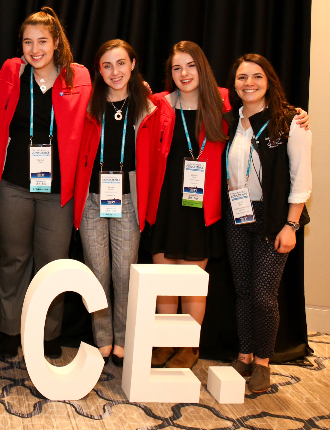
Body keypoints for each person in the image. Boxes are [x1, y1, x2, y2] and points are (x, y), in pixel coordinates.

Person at [0, 7, 91, 360]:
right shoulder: (11, 72)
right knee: (14, 258)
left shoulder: (77, 76)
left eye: (43, 41)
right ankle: (10, 330)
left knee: (53, 262)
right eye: (28, 41)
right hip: (13, 185)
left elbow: (111, 97)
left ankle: (49, 332)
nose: (35, 49)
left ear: (56, 42)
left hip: (58, 191)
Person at [139, 41, 231, 369]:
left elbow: (260, 102)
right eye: (177, 68)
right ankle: (165, 343)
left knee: (191, 282)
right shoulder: (159, 104)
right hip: (164, 204)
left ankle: (189, 347)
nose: (184, 73)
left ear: (202, 68)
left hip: (200, 207)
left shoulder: (223, 102)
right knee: (165, 277)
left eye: (190, 66)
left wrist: (296, 114)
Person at [224, 54, 311, 393]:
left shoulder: (290, 122)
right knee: (243, 291)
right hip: (237, 213)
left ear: (269, 80)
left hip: (275, 217)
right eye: (242, 77)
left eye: (256, 76)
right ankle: (244, 356)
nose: (249, 83)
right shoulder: (230, 120)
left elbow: (301, 178)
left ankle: (263, 363)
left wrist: (291, 226)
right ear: (234, 84)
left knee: (264, 295)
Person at [73, 39, 155, 366]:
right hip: (93, 199)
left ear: (133, 64)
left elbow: (204, 95)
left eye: (121, 63)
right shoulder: (87, 104)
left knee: (123, 274)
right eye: (107, 65)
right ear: (99, 70)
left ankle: (123, 339)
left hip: (128, 200)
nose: (114, 71)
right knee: (97, 273)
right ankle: (103, 338)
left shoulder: (149, 105)